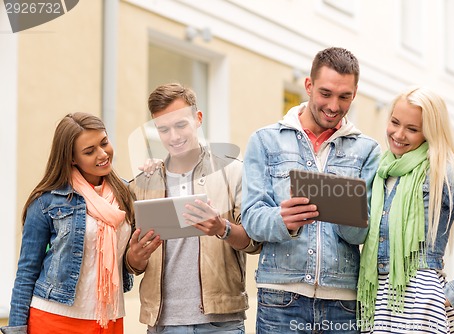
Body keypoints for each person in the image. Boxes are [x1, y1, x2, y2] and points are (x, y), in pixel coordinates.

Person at [241, 46, 381, 333]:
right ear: (309, 85)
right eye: (325, 93)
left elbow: (363, 234)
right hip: (280, 299)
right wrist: (283, 221)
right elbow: (252, 219)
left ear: (354, 94)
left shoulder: (367, 150)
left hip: (342, 302)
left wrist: (345, 213)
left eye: (344, 97)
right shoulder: (265, 141)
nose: (333, 106)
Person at [357, 86, 454, 333]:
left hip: (420, 303)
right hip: (377, 300)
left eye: (412, 129)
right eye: (394, 122)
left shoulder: (444, 171)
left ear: (430, 132)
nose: (398, 134)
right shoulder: (380, 170)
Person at [125, 83, 261, 334]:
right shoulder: (144, 183)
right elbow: (132, 265)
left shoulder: (233, 172)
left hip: (220, 323)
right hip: (163, 323)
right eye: (164, 129)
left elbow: (255, 242)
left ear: (198, 119)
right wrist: (136, 255)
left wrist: (223, 228)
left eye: (180, 125)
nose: (174, 137)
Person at [1, 113, 135, 334]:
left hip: (109, 319)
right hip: (55, 319)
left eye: (104, 143)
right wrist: (16, 329)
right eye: (89, 151)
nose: (103, 154)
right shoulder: (47, 200)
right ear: (72, 158)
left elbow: (131, 260)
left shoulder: (126, 193)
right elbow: (26, 272)